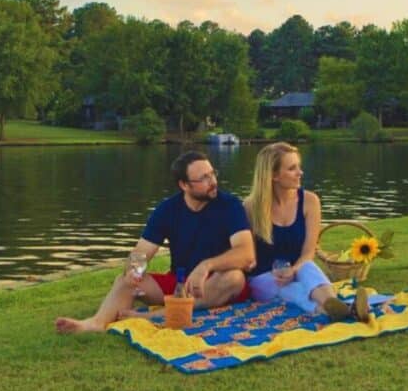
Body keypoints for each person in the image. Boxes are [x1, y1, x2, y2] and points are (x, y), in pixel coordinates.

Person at [55, 151, 255, 333]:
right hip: (179, 286)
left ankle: (154, 316)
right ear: (184, 185)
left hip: (216, 284)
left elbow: (246, 254)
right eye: (203, 178)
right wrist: (134, 270)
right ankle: (96, 324)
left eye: (212, 174)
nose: (213, 181)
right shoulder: (167, 209)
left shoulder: (230, 205)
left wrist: (206, 266)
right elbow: (141, 252)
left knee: (234, 277)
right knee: (125, 281)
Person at [243, 142, 369, 321]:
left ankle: (331, 305)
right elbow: (247, 256)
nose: (300, 173)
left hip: (299, 269)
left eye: (298, 167)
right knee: (292, 290)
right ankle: (339, 309)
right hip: (265, 278)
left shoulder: (310, 201)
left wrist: (293, 270)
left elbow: (309, 252)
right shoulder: (250, 207)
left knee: (308, 267)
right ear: (273, 175)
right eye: (292, 168)